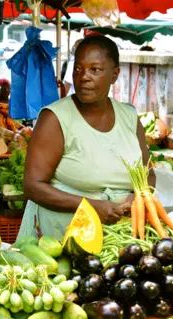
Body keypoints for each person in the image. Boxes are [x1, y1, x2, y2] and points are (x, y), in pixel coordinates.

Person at [18, 35, 155, 240]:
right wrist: (90, 205)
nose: (84, 77)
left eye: (95, 70)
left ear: (114, 74)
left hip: (121, 235)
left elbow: (148, 173)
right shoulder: (55, 118)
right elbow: (32, 186)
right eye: (78, 69)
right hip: (62, 238)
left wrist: (139, 196)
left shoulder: (129, 116)